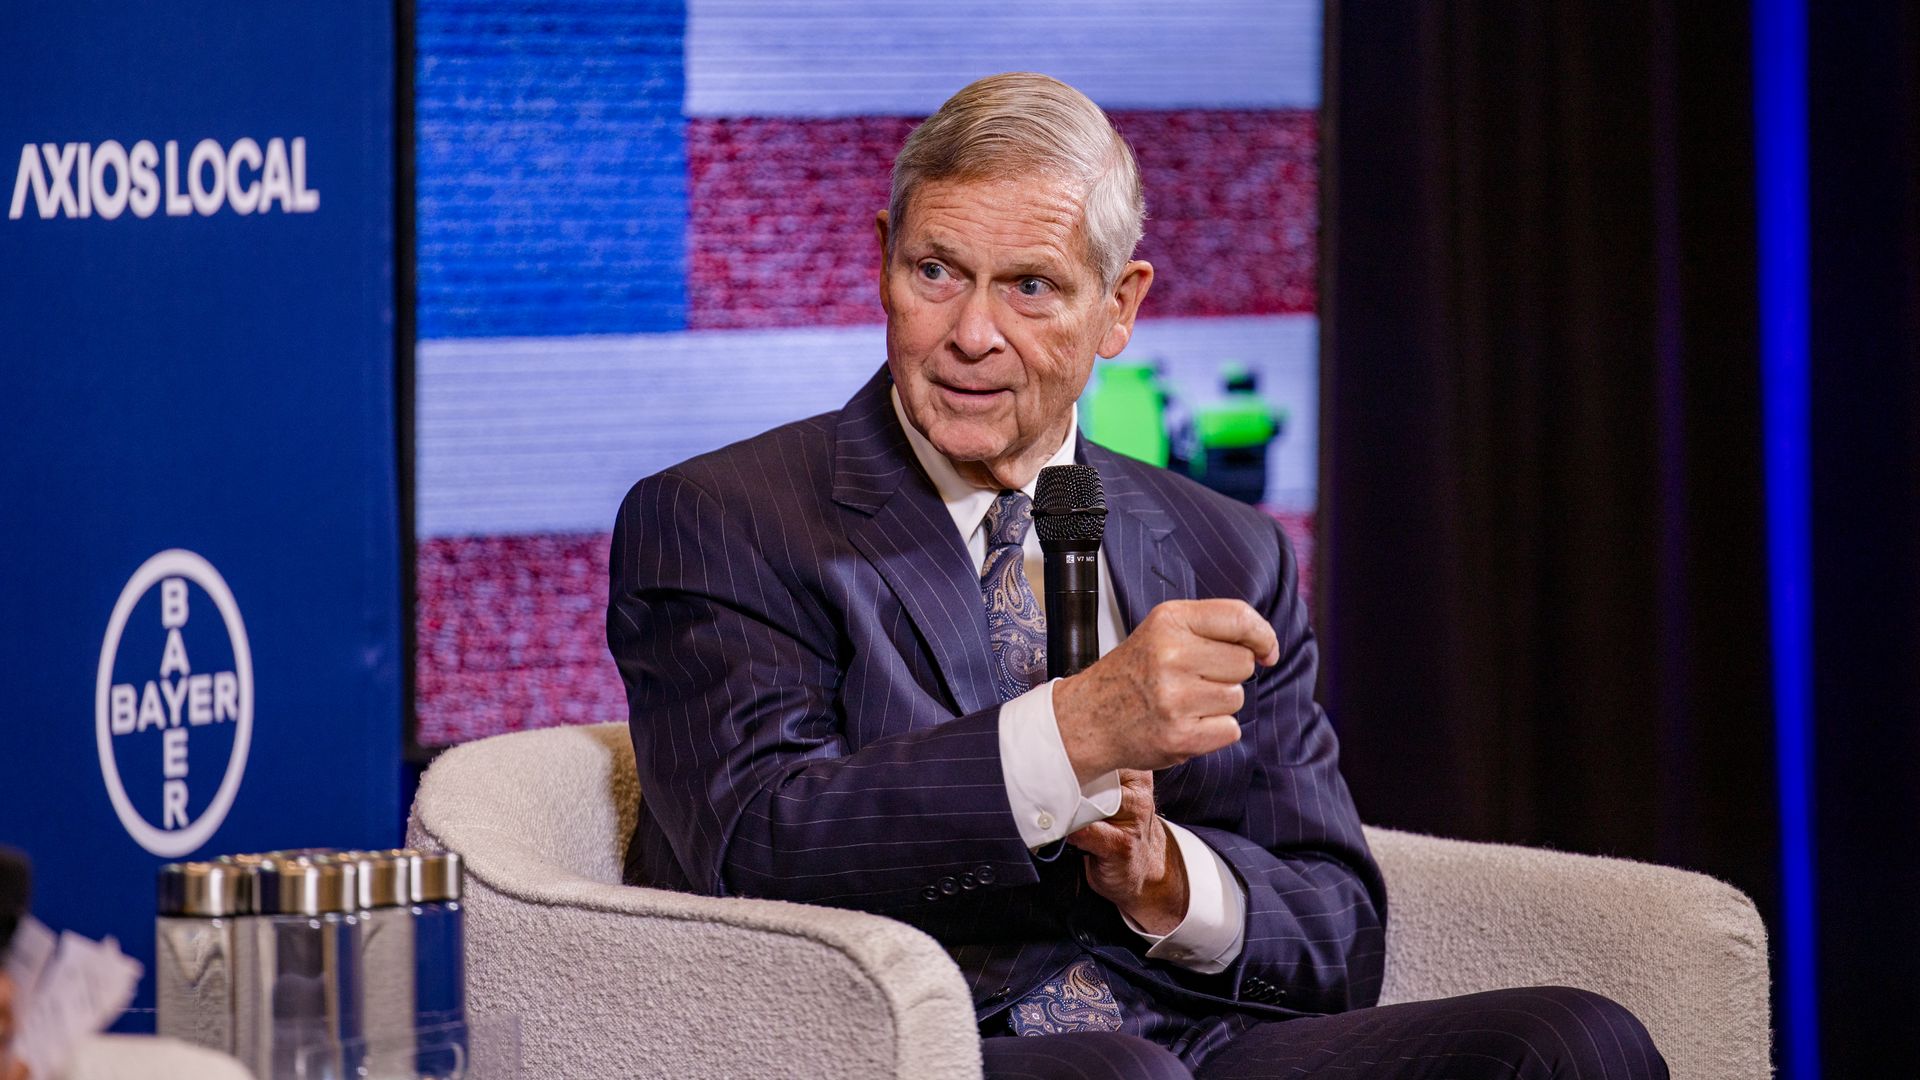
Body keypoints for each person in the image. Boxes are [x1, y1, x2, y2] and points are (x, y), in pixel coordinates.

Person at [608, 72, 1667, 1079]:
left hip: (1191, 1037)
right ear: (884, 259)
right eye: (936, 272)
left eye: (1030, 287)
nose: (971, 334)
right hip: (925, 1044)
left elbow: (1338, 930)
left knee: (1573, 1042)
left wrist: (1171, 882)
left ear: (1119, 308)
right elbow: (754, 848)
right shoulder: (722, 518)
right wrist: (1074, 733)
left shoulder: (1227, 551)